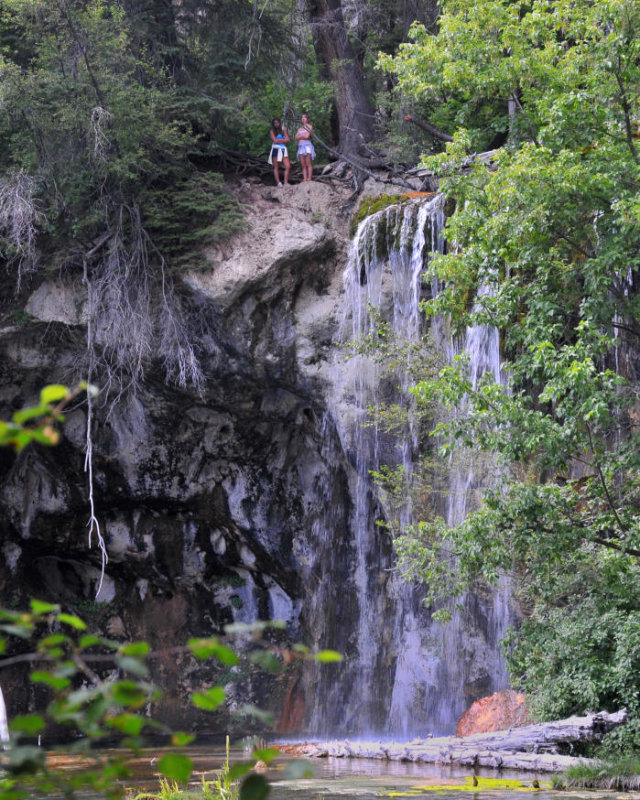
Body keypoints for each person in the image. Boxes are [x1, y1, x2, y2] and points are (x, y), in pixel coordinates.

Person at [268, 118, 290, 186]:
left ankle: (286, 182)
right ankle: (278, 183)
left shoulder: (283, 131)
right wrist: (283, 140)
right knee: (276, 166)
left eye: (277, 122)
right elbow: (275, 141)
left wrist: (279, 140)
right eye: (275, 123)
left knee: (288, 166)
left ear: (280, 123)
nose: (276, 124)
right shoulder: (272, 131)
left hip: (283, 149)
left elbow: (288, 139)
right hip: (276, 149)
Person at [295, 113, 315, 182]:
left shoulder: (309, 126)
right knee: (303, 165)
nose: (303, 119)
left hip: (307, 146)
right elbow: (295, 137)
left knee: (308, 163)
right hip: (301, 146)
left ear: (307, 119)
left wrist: (300, 136)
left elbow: (307, 136)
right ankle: (304, 178)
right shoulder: (300, 128)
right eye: (302, 117)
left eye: (304, 117)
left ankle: (309, 178)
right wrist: (302, 136)